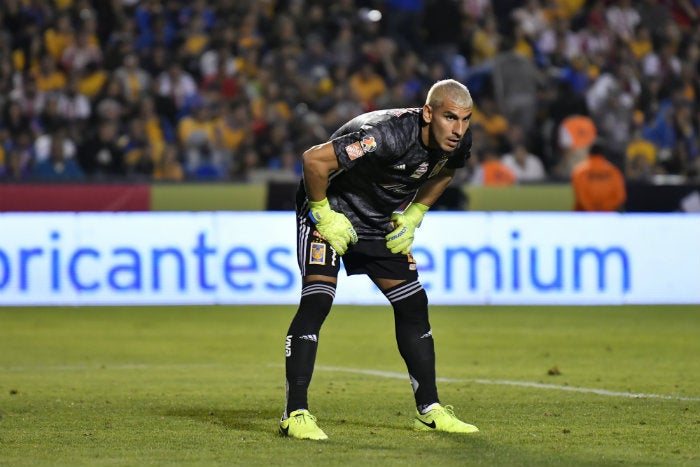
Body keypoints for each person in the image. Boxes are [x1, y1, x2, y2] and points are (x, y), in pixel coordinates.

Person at [280, 79, 479, 440]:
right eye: (451, 118)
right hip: (332, 214)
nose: (459, 129)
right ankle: (295, 413)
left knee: (413, 303)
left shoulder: (458, 142)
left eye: (466, 120)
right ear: (429, 113)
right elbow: (314, 160)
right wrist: (323, 214)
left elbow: (446, 171)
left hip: (377, 221)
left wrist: (416, 213)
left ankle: (429, 410)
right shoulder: (384, 135)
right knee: (318, 301)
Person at [571, 141, 627, 212]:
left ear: (589, 153)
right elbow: (620, 196)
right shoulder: (614, 171)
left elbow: (580, 195)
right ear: (604, 154)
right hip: (608, 216)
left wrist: (592, 209)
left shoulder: (580, 171)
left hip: (584, 216)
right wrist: (604, 209)